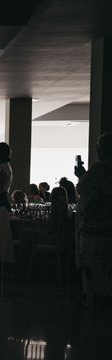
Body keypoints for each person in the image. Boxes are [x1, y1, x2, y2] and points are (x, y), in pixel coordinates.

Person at [74, 132, 112, 310]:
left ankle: (92, 299)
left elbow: (82, 187)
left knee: (92, 265)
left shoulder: (99, 169)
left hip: (95, 226)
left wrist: (81, 174)